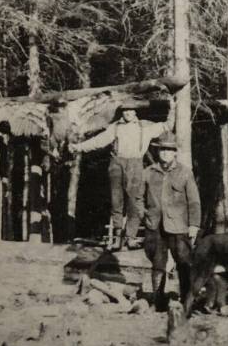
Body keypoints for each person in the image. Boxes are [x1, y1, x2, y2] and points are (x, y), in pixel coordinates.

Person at [68, 102, 174, 250]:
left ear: (135, 111)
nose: (128, 113)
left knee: (135, 201)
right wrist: (78, 147)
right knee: (116, 200)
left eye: (131, 110)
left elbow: (168, 125)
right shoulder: (115, 127)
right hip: (117, 163)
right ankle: (117, 238)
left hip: (135, 163)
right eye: (125, 110)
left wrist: (173, 106)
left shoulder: (145, 127)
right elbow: (99, 141)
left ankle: (130, 238)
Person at [142, 132, 200, 311]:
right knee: (158, 263)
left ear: (175, 152)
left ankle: (186, 301)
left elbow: (194, 200)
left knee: (184, 262)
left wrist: (193, 225)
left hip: (179, 226)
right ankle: (157, 301)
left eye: (169, 150)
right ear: (158, 152)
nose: (165, 153)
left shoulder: (184, 172)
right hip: (155, 226)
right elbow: (137, 198)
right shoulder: (148, 172)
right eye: (162, 150)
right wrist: (145, 214)